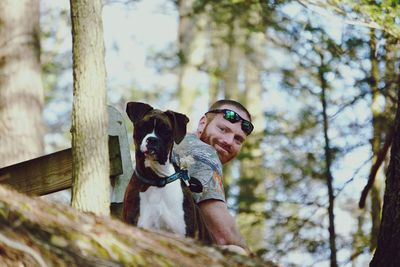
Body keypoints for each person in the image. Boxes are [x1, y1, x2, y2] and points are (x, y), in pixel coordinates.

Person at [173, 99, 254, 253]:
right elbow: (223, 233)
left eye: (238, 139)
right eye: (223, 129)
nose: (229, 141)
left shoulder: (182, 143)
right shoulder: (201, 151)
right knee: (237, 252)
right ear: (203, 123)